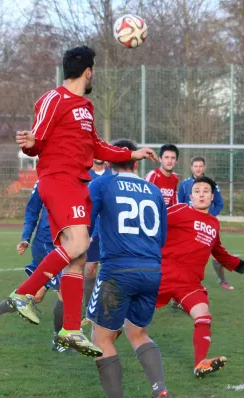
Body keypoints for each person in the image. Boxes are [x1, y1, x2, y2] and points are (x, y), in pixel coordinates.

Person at [0, 45, 157, 357]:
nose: (93, 73)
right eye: (93, 68)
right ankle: (23, 293)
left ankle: (70, 330)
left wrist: (131, 153)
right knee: (79, 243)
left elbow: (97, 146)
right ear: (88, 70)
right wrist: (31, 145)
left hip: (77, 181)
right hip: (58, 178)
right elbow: (38, 139)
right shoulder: (53, 98)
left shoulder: (86, 106)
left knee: (78, 259)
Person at [86, 139, 170, 398]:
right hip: (152, 271)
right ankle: (161, 390)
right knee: (138, 333)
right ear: (135, 162)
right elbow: (162, 236)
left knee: (101, 340)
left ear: (109, 160)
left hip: (118, 272)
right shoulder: (153, 190)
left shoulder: (102, 183)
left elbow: (87, 222)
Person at [157, 176, 244, 377]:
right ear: (190, 196)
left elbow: (217, 249)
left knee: (203, 315)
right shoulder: (180, 210)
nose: (201, 194)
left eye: (205, 191)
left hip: (189, 283)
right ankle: (100, 331)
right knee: (131, 317)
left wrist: (235, 264)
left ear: (212, 197)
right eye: (197, 191)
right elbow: (154, 219)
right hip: (162, 276)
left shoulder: (214, 223)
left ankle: (200, 364)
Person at [0, 181, 67, 353]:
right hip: (47, 245)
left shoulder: (83, 179)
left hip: (67, 245)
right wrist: (26, 237)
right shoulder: (45, 181)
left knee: (36, 295)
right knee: (65, 292)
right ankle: (59, 342)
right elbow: (32, 211)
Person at [177, 156, 233, 291]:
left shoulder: (211, 184)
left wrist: (209, 217)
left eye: (200, 166)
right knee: (186, 257)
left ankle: (222, 280)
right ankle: (183, 287)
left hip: (206, 226)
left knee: (216, 254)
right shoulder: (185, 184)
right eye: (195, 166)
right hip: (189, 227)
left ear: (204, 168)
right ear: (191, 168)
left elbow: (219, 203)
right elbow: (180, 204)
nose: (198, 168)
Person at [82, 159, 114, 326]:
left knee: (112, 270)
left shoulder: (112, 174)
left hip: (109, 229)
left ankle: (110, 309)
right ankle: (89, 310)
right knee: (90, 270)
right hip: (93, 228)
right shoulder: (85, 174)